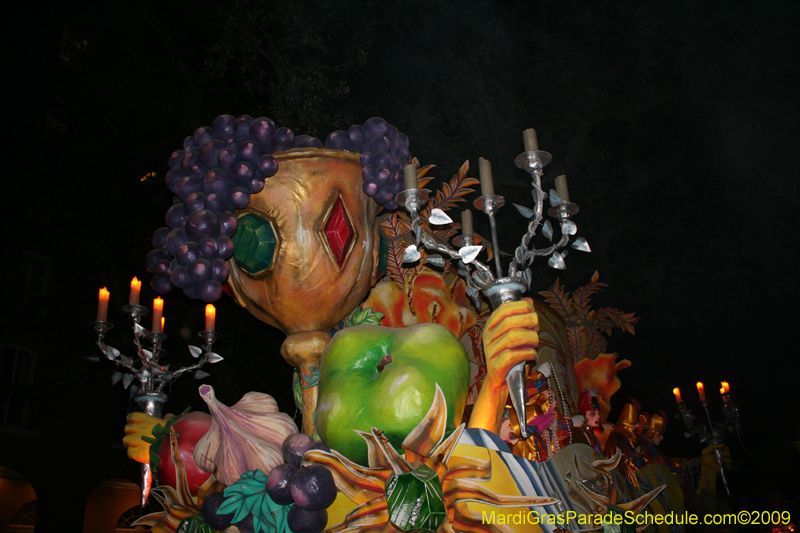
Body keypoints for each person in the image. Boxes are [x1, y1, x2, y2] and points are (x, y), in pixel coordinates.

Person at [571, 389, 605, 455]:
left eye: (598, 414)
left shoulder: (592, 434)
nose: (597, 417)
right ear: (584, 414)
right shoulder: (578, 433)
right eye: (593, 414)